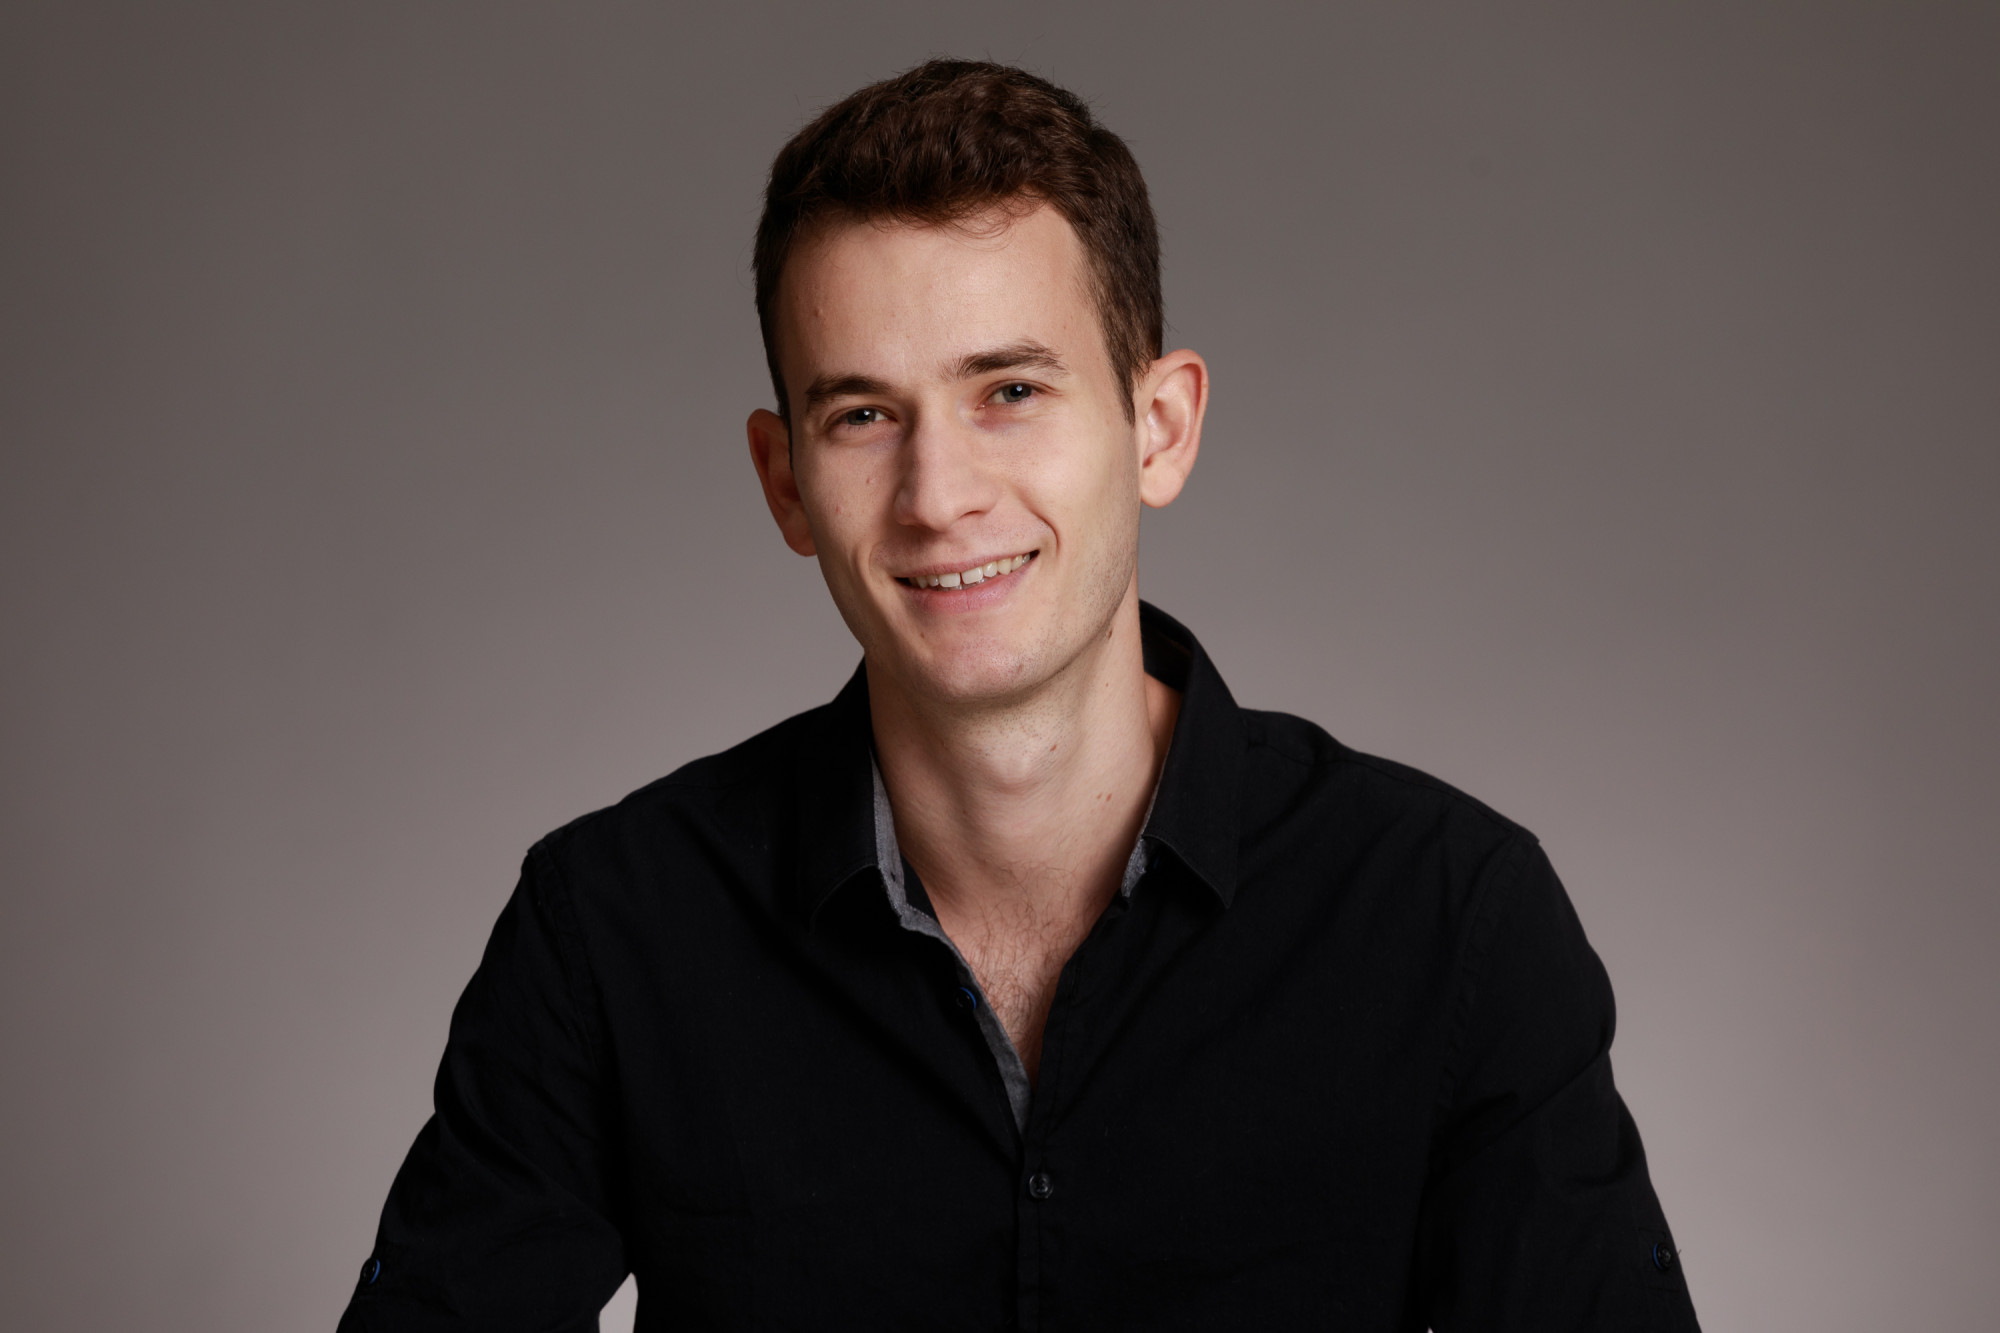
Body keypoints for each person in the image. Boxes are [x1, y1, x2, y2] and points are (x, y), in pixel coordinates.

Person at [337, 60, 1699, 1332]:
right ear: (785, 482)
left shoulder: (1452, 918)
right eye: (863, 415)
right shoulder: (610, 929)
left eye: (1009, 390)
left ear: (1159, 427)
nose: (939, 497)